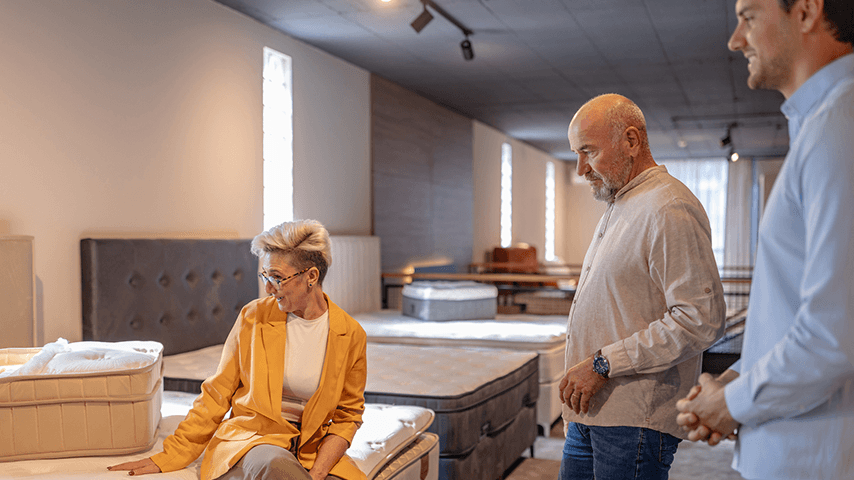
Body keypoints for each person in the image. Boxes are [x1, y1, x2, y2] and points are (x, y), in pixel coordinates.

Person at [675, 0, 854, 477]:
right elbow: (800, 308)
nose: (736, 39)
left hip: (813, 456)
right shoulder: (822, 123)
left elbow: (835, 334)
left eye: (749, 17)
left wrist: (733, 402)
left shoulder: (840, 124)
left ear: (807, 11)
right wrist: (737, 382)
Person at [109, 219, 368, 480]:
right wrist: (172, 455)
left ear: (311, 276)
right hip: (255, 440)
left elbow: (348, 416)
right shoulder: (254, 317)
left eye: (277, 278)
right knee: (276, 464)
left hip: (312, 451)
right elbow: (217, 393)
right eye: (265, 276)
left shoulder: (351, 334)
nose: (268, 288)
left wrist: (320, 471)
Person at [557, 93, 726, 480]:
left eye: (589, 152)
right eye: (576, 154)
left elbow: (700, 319)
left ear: (631, 141)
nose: (581, 168)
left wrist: (602, 364)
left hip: (633, 420)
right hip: (591, 412)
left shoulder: (668, 207)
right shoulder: (622, 203)